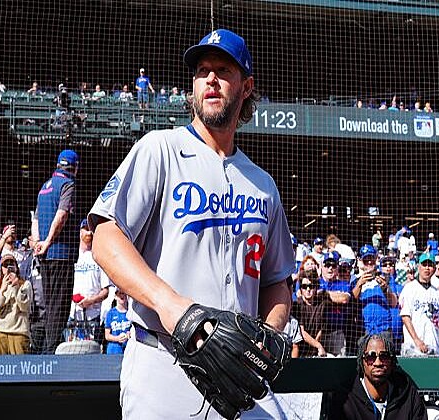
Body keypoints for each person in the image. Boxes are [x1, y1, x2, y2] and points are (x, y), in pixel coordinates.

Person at [89, 29, 294, 419]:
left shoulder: (263, 184)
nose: (210, 79)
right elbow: (105, 236)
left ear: (247, 87)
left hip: (238, 371)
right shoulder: (160, 148)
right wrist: (171, 306)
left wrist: (271, 331)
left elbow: (276, 281)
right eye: (202, 71)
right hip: (162, 362)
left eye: (223, 70)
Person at [31, 149, 80, 354]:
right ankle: (51, 353)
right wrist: (49, 242)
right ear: (75, 167)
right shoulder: (68, 184)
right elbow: (61, 215)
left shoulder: (45, 187)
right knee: (59, 306)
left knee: (49, 304)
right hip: (61, 253)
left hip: (44, 255)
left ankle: (46, 349)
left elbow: (35, 219)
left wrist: (38, 243)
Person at [327, 333, 428, 419]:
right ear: (362, 362)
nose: (378, 363)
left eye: (384, 356)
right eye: (370, 357)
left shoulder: (409, 397)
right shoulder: (345, 400)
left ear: (392, 361)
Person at [68, 219, 110, 345]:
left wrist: (90, 301)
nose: (89, 233)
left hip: (93, 316)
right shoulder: (72, 256)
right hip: (73, 315)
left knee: (92, 351)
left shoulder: (99, 256)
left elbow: (106, 291)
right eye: (86, 229)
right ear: (80, 232)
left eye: (91, 230)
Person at [399, 252, 439, 356]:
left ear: (434, 269)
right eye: (424, 265)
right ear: (418, 267)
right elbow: (405, 317)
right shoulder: (409, 288)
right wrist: (417, 340)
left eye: (430, 265)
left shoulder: (438, 293)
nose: (427, 268)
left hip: (434, 345)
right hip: (413, 347)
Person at [0, 254, 33, 355]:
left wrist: (16, 287)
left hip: (19, 332)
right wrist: (2, 290)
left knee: (20, 363)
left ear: (16, 267)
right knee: (1, 363)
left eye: (11, 264)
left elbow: (24, 307)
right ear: (1, 269)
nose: (8, 268)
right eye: (5, 266)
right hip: (0, 331)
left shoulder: (25, 284)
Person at [293, 272, 327, 357]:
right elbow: (302, 332)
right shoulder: (297, 305)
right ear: (300, 289)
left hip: (315, 350)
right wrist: (318, 346)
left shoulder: (322, 304)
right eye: (304, 286)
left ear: (316, 288)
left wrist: (315, 347)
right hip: (299, 350)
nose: (308, 289)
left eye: (311, 286)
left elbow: (321, 330)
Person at [104, 289, 131, 354]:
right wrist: (117, 338)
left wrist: (130, 335)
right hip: (114, 350)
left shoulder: (131, 313)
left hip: (128, 348)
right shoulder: (111, 313)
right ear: (115, 296)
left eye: (124, 293)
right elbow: (107, 336)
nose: (122, 295)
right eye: (119, 293)